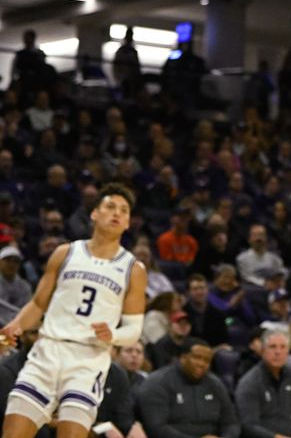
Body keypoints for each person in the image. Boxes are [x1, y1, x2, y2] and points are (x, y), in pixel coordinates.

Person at [0, 184, 146, 438]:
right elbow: (37, 304)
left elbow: (134, 329)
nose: (117, 213)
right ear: (94, 214)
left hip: (87, 360)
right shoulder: (65, 253)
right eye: (110, 206)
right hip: (47, 351)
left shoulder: (133, 269)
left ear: (127, 223)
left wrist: (112, 335)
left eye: (124, 211)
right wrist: (16, 325)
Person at [136, 337, 240, 438]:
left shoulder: (215, 384)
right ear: (182, 357)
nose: (202, 364)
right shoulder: (158, 382)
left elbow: (231, 423)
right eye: (197, 357)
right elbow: (156, 428)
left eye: (207, 360)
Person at [234, 329, 291, 438]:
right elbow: (248, 426)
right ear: (263, 350)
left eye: (283, 347)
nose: (278, 352)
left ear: (288, 351)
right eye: (273, 347)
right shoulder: (250, 382)